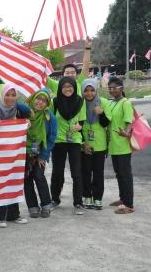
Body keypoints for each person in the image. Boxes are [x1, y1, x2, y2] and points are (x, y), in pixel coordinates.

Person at [0, 84, 31, 227]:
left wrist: (25, 123)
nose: (10, 98)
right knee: (0, 182)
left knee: (14, 180)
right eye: (7, 94)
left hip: (14, 153)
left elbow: (29, 118)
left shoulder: (18, 109)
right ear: (2, 95)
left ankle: (14, 214)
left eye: (13, 95)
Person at [50, 77, 86, 215]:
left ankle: (78, 202)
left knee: (76, 172)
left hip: (74, 141)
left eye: (70, 86)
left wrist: (79, 126)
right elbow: (50, 118)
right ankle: (55, 199)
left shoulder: (80, 101)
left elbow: (82, 120)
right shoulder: (55, 101)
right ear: (60, 88)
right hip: (58, 141)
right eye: (64, 86)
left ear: (74, 87)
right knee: (57, 172)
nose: (67, 89)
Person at [23, 89, 57, 218]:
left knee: (39, 176)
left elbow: (52, 138)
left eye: (44, 101)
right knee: (27, 179)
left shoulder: (49, 117)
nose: (40, 102)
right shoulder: (24, 113)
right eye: (38, 98)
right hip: (24, 152)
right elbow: (17, 105)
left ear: (47, 104)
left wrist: (43, 155)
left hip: (40, 152)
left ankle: (46, 205)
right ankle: (32, 207)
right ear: (33, 98)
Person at [80, 79, 112, 210]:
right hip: (85, 144)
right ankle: (87, 196)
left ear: (96, 90)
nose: (89, 93)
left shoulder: (103, 102)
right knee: (85, 171)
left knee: (98, 172)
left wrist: (101, 113)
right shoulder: (80, 103)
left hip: (100, 144)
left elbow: (106, 123)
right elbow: (78, 124)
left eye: (92, 90)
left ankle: (98, 198)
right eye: (86, 90)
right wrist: (83, 144)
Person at [106, 77, 135, 214]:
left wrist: (126, 133)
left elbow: (129, 121)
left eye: (114, 88)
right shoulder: (112, 103)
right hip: (113, 146)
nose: (112, 90)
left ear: (121, 88)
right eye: (110, 88)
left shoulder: (126, 103)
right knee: (119, 174)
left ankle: (129, 205)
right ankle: (123, 198)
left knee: (125, 174)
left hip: (123, 145)